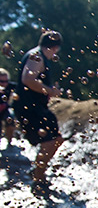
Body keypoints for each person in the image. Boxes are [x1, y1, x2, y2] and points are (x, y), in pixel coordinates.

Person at [13, 30, 65, 193]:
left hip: (36, 107)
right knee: (50, 141)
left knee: (56, 139)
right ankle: (38, 178)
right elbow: (27, 79)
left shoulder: (38, 55)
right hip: (30, 107)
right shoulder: (36, 56)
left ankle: (38, 173)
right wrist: (49, 90)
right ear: (55, 48)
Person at [0, 68, 16, 143]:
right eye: (1, 81)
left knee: (11, 120)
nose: (4, 84)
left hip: (4, 110)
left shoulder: (10, 86)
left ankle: (10, 142)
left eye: (6, 81)